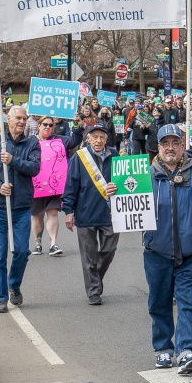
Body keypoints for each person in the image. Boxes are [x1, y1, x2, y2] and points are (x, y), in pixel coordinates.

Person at [144, 123, 192, 374]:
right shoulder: (146, 174)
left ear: (182, 146)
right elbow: (125, 206)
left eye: (175, 143)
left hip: (190, 251)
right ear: (158, 148)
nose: (170, 148)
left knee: (186, 301)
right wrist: (112, 192)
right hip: (156, 251)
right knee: (159, 302)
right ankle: (163, 349)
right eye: (165, 144)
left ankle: (186, 349)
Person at [0, 106, 41, 312]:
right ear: (9, 119)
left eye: (24, 118)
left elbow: (34, 168)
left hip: (21, 207)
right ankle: (1, 297)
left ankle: (14, 284)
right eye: (18, 118)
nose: (21, 122)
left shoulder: (32, 143)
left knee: (22, 251)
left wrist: (13, 160)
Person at [61, 121, 119, 305]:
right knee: (89, 256)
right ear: (88, 138)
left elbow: (127, 183)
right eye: (95, 137)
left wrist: (117, 188)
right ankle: (94, 290)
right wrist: (68, 211)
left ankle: (95, 278)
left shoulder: (115, 155)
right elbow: (71, 184)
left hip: (110, 213)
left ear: (107, 139)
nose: (99, 140)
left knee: (109, 250)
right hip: (85, 212)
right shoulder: (79, 157)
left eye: (102, 137)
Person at [31, 117, 67, 257]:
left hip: (54, 186)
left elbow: (75, 140)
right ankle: (38, 243)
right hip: (35, 185)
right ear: (38, 126)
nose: (47, 127)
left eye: (50, 125)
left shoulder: (58, 141)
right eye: (44, 124)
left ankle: (53, 244)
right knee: (37, 216)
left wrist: (77, 124)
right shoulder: (30, 142)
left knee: (52, 213)